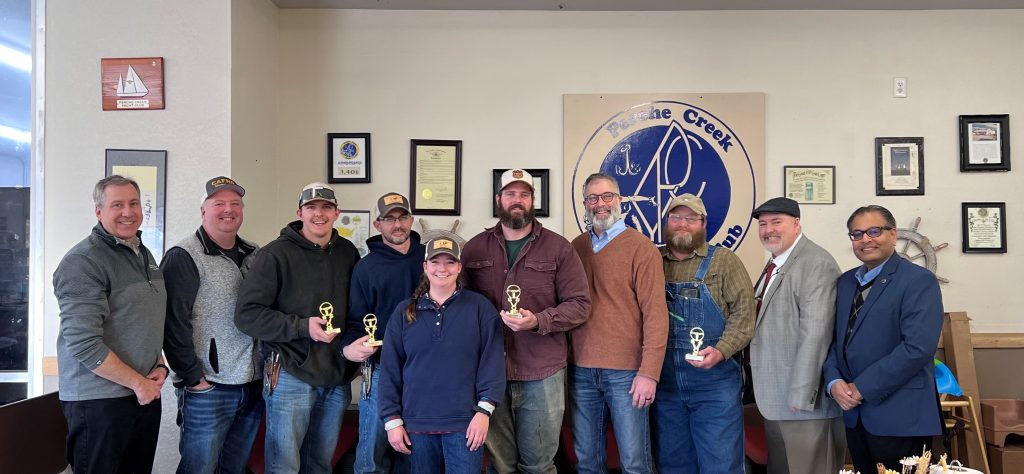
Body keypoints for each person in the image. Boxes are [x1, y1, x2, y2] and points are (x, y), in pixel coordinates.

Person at [461, 168, 590, 474]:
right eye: (510, 194)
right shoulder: (474, 248)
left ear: (533, 200)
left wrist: (539, 321)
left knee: (539, 466)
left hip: (542, 372)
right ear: (498, 200)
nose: (517, 200)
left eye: (524, 194)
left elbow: (581, 305)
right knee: (500, 465)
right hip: (489, 372)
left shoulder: (559, 248)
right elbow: (459, 305)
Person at [235, 182, 360, 473]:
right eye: (311, 207)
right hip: (290, 375)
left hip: (335, 377)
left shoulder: (347, 252)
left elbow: (356, 309)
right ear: (299, 212)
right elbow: (247, 315)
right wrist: (303, 327)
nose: (319, 214)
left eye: (326, 207)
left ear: (337, 212)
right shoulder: (274, 255)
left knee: (320, 464)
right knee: (284, 466)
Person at [54, 175, 168, 473]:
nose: (128, 212)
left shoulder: (143, 253)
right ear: (98, 211)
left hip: (140, 393)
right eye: (117, 204)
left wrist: (158, 364)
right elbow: (82, 342)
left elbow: (141, 320)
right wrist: (138, 382)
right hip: (99, 402)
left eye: (133, 203)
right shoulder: (83, 262)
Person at [823, 205, 944, 473]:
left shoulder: (918, 281)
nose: (865, 239)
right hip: (854, 416)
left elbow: (917, 349)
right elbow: (834, 342)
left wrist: (861, 388)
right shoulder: (844, 283)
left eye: (874, 231)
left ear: (892, 234)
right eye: (857, 234)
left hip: (900, 416)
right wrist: (834, 382)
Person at [378, 236, 505, 474]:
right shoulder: (404, 312)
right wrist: (391, 420)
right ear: (425, 266)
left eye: (450, 262)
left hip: (466, 425)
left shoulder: (480, 309)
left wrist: (484, 412)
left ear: (459, 267)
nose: (442, 269)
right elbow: (390, 370)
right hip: (415, 425)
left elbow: (493, 364)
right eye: (435, 262)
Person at [162, 176, 263, 474]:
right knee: (200, 469)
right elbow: (172, 325)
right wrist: (194, 379)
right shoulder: (183, 256)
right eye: (219, 203)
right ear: (203, 210)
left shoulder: (255, 254)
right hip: (208, 388)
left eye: (235, 204)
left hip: (251, 385)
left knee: (233, 468)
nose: (228, 210)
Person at [569, 172, 668, 474]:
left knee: (634, 463)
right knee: (587, 462)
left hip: (627, 374)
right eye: (592, 198)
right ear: (585, 203)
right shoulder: (576, 247)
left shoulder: (642, 249)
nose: (600, 204)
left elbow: (656, 314)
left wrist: (649, 373)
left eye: (607, 196)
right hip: (581, 371)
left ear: (620, 200)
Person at [652, 193, 755, 473]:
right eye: (676, 217)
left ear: (703, 223)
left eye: (690, 218)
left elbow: (745, 316)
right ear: (666, 222)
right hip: (665, 384)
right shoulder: (650, 260)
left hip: (715, 383)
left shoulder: (725, 261)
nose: (682, 224)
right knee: (673, 464)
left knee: (721, 464)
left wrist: (721, 350)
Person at [748, 197, 845, 474]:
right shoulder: (777, 263)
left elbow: (816, 333)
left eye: (776, 222)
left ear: (797, 223)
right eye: (763, 224)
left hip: (802, 402)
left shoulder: (815, 263)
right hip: (777, 398)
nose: (768, 230)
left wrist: (801, 395)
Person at [340, 192, 424, 474]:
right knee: (372, 455)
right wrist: (355, 345)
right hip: (379, 372)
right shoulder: (365, 268)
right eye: (389, 219)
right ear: (378, 225)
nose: (397, 225)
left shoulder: (432, 261)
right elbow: (355, 321)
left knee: (415, 453)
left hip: (424, 373)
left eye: (402, 217)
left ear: (411, 220)